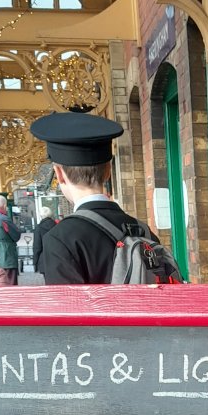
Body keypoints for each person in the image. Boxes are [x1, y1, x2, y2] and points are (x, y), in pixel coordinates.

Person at [29, 111, 166, 285]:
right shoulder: (144, 231)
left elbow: (67, 302)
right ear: (108, 171)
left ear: (59, 174)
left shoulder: (59, 239)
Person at [32, 206, 58, 275]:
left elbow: (37, 247)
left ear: (41, 216)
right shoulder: (57, 226)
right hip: (57, 259)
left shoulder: (39, 228)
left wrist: (35, 262)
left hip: (44, 260)